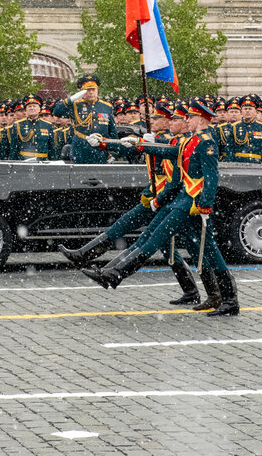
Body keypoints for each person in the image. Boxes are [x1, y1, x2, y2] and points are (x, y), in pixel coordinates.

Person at [81, 99, 239, 317]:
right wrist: (137, 145)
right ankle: (226, 299)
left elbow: (212, 177)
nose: (187, 120)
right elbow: (166, 152)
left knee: (156, 238)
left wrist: (205, 204)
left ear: (201, 120)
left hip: (191, 203)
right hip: (183, 201)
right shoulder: (188, 142)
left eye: (190, 117)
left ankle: (115, 275)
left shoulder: (206, 143)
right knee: (209, 250)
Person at [60, 102, 210, 307]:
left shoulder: (178, 142)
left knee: (175, 244)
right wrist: (105, 143)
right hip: (159, 198)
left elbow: (169, 163)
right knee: (157, 242)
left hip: (170, 199)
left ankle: (103, 268)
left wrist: (152, 143)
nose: (152, 121)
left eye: (157, 119)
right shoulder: (168, 140)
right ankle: (191, 290)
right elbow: (130, 145)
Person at [53, 75, 118, 164]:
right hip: (80, 150)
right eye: (87, 90)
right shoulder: (75, 105)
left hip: (100, 151)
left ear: (97, 90)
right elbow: (57, 112)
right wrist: (70, 99)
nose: (91, 92)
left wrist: (114, 154)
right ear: (82, 92)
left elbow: (112, 132)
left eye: (93, 89)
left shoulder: (106, 107)